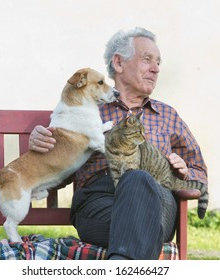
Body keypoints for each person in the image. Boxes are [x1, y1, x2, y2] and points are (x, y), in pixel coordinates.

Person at [29, 27, 208, 260]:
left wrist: (183, 171)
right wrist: (41, 146)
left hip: (156, 199)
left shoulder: (167, 115)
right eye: (147, 60)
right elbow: (52, 175)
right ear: (119, 63)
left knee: (136, 178)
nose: (156, 69)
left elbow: (200, 173)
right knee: (139, 223)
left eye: (158, 63)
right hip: (99, 202)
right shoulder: (86, 112)